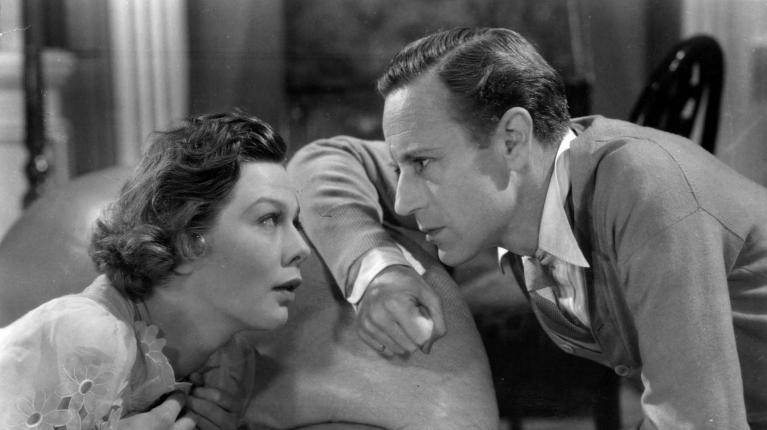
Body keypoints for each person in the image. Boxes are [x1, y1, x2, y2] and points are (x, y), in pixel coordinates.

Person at [291, 27, 767, 429]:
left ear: (512, 140)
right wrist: (378, 272)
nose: (402, 199)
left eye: (421, 163)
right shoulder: (526, 177)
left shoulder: (648, 190)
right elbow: (326, 159)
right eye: (401, 167)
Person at [0, 111, 310, 429]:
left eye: (295, 222)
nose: (301, 248)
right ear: (188, 240)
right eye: (268, 219)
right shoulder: (87, 336)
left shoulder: (228, 365)